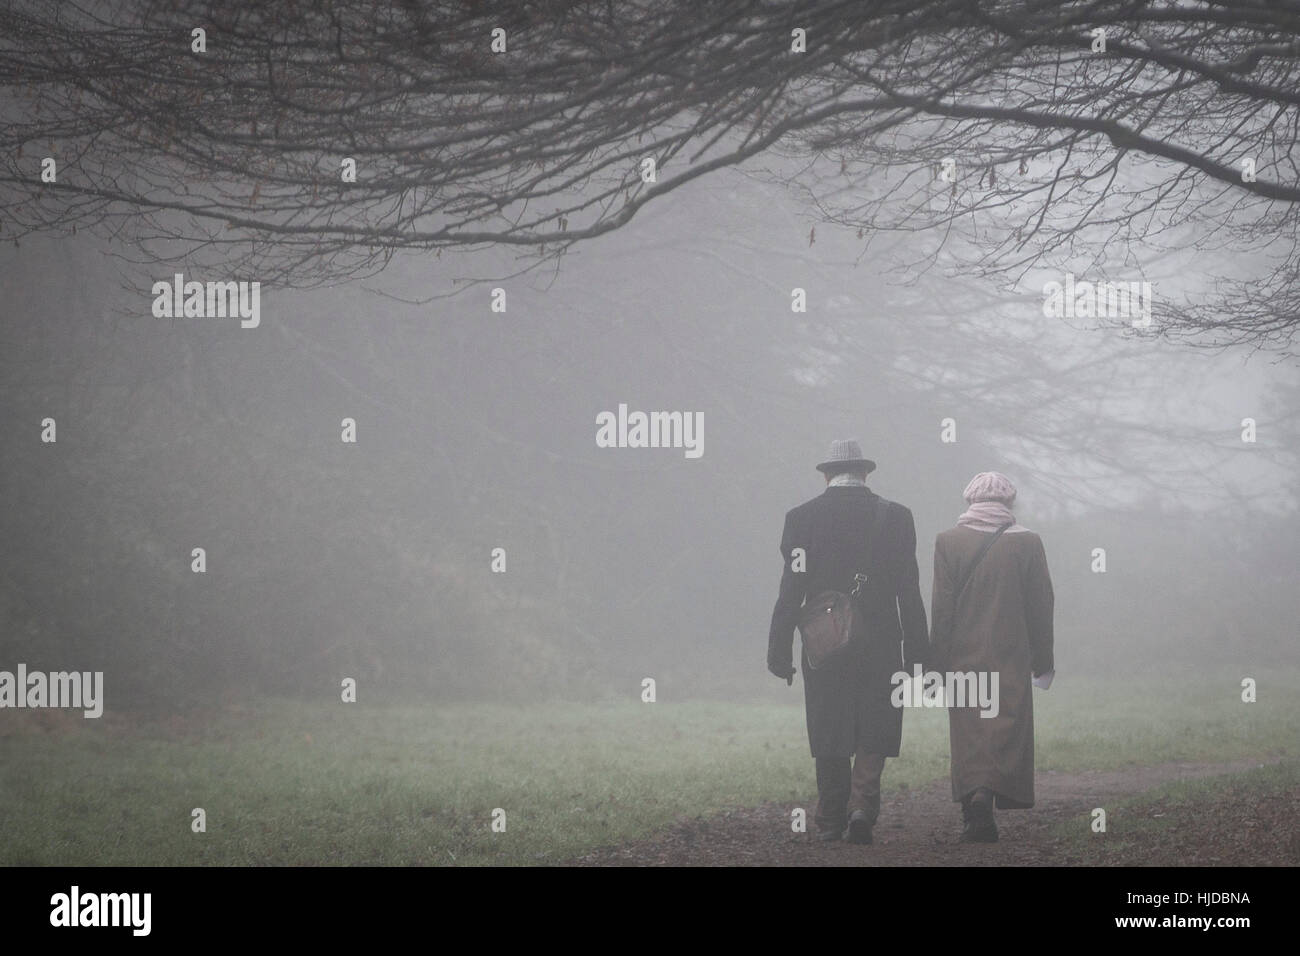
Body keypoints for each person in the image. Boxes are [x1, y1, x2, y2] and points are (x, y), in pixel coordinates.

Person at [767, 439, 929, 844]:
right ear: (866, 473)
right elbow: (909, 591)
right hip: (882, 640)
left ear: (826, 474)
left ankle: (829, 818)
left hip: (824, 643)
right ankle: (862, 806)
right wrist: (919, 655)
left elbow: (791, 590)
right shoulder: (897, 518)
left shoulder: (801, 519)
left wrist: (779, 648)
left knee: (829, 721)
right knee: (876, 721)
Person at [930, 471, 1055, 843]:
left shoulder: (948, 541)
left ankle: (974, 806)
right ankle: (990, 793)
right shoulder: (1029, 543)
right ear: (1008, 504)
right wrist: (1043, 659)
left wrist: (935, 666)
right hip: (1011, 656)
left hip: (962, 656)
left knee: (969, 732)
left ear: (970, 502)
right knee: (1004, 728)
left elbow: (942, 610)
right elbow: (1041, 606)